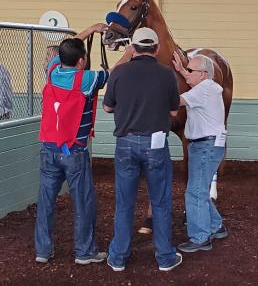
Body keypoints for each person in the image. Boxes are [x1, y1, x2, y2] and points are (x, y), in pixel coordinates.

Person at [35, 23, 130, 265]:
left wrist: (90, 30)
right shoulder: (87, 79)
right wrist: (130, 52)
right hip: (74, 151)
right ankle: (84, 252)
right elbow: (114, 71)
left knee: (46, 200)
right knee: (83, 201)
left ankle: (43, 251)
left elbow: (65, 50)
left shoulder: (52, 70)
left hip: (48, 148)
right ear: (81, 61)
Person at [103, 27, 182, 272]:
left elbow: (107, 108)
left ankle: (118, 257)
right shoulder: (167, 74)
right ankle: (165, 257)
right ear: (156, 49)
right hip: (156, 144)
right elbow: (173, 112)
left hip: (125, 143)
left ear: (133, 48)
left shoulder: (119, 73)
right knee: (160, 201)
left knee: (124, 202)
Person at [172, 51, 228, 253]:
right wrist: (181, 70)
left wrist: (153, 87)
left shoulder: (202, 91)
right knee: (200, 190)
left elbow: (174, 101)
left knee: (194, 191)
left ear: (203, 74)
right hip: (208, 145)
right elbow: (191, 80)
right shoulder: (208, 87)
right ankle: (216, 226)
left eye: (190, 70)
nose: (186, 74)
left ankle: (200, 237)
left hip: (205, 146)